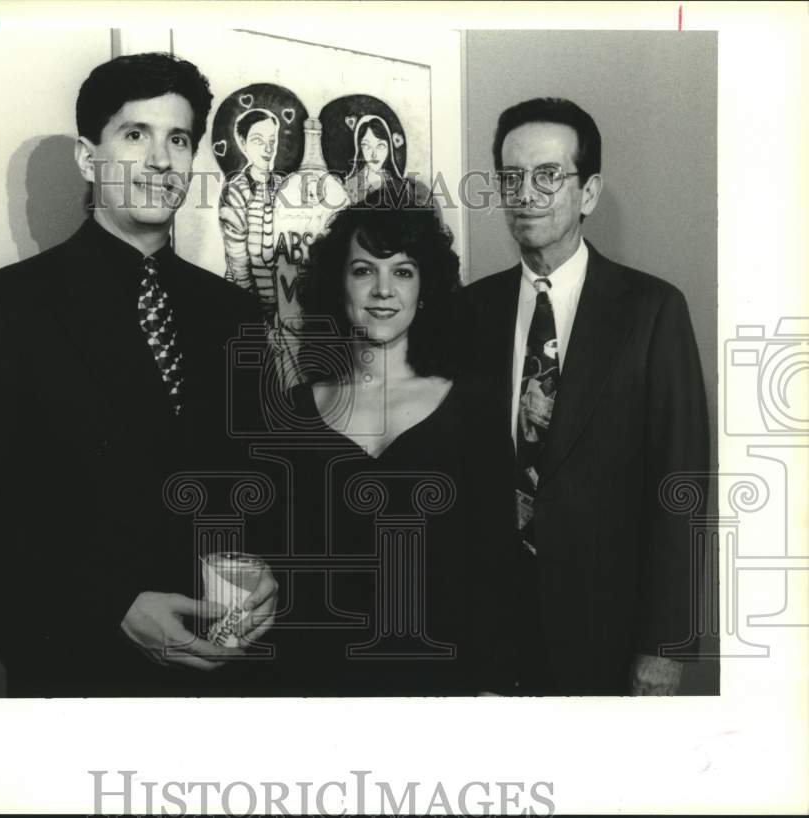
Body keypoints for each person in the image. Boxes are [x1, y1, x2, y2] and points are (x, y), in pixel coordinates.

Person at [0, 53, 278, 697]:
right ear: (91, 161)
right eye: (135, 135)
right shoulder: (8, 306)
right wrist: (112, 606)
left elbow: (262, 476)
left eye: (178, 139)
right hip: (81, 672)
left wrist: (266, 570)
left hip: (226, 675)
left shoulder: (231, 310)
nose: (160, 160)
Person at [456, 97, 709, 695]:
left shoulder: (651, 311)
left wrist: (665, 645)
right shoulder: (469, 310)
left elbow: (682, 485)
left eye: (549, 176)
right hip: (489, 629)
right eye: (512, 178)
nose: (527, 194)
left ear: (588, 193)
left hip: (607, 631)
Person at [266, 194, 519, 695]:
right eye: (364, 270)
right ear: (339, 284)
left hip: (444, 686)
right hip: (319, 684)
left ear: (424, 289)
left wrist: (492, 687)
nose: (383, 290)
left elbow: (495, 565)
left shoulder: (473, 406)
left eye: (403, 272)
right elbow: (277, 564)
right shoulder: (294, 411)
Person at [219, 108, 283, 317]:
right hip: (245, 300)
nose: (268, 148)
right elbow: (238, 263)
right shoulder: (235, 191)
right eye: (258, 140)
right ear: (242, 143)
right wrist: (253, 309)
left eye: (272, 141)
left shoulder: (285, 186)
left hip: (283, 301)